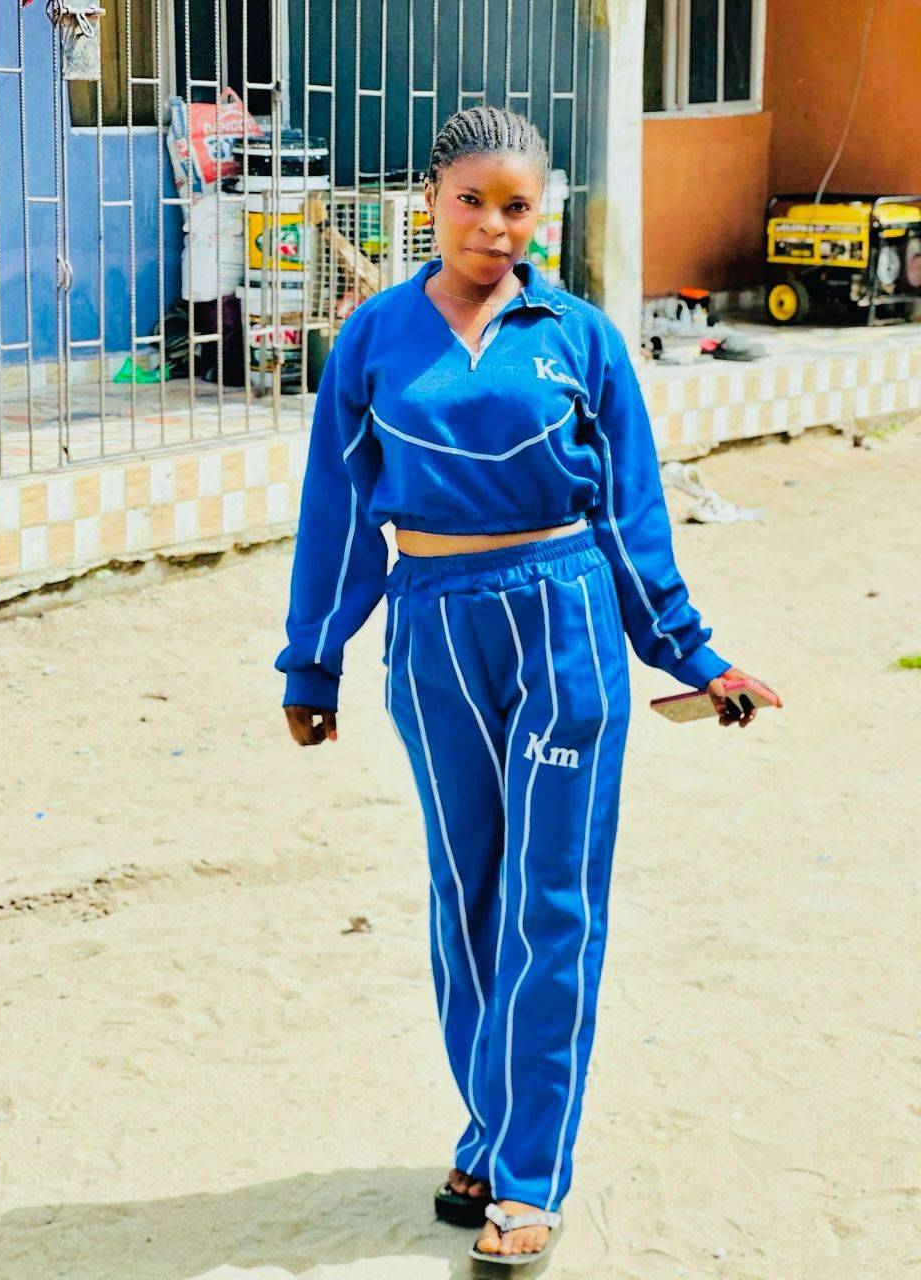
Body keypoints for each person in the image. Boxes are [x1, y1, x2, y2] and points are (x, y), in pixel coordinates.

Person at [276, 106, 781, 1266]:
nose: (495, 227)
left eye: (518, 207)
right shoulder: (373, 339)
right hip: (434, 629)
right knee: (466, 897)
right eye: (473, 201)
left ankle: (528, 1175)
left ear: (540, 214)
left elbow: (629, 512)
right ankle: (490, 1125)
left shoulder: (579, 339)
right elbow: (339, 508)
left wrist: (693, 653)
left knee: (548, 901)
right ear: (430, 199)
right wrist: (314, 655)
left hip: (564, 625)